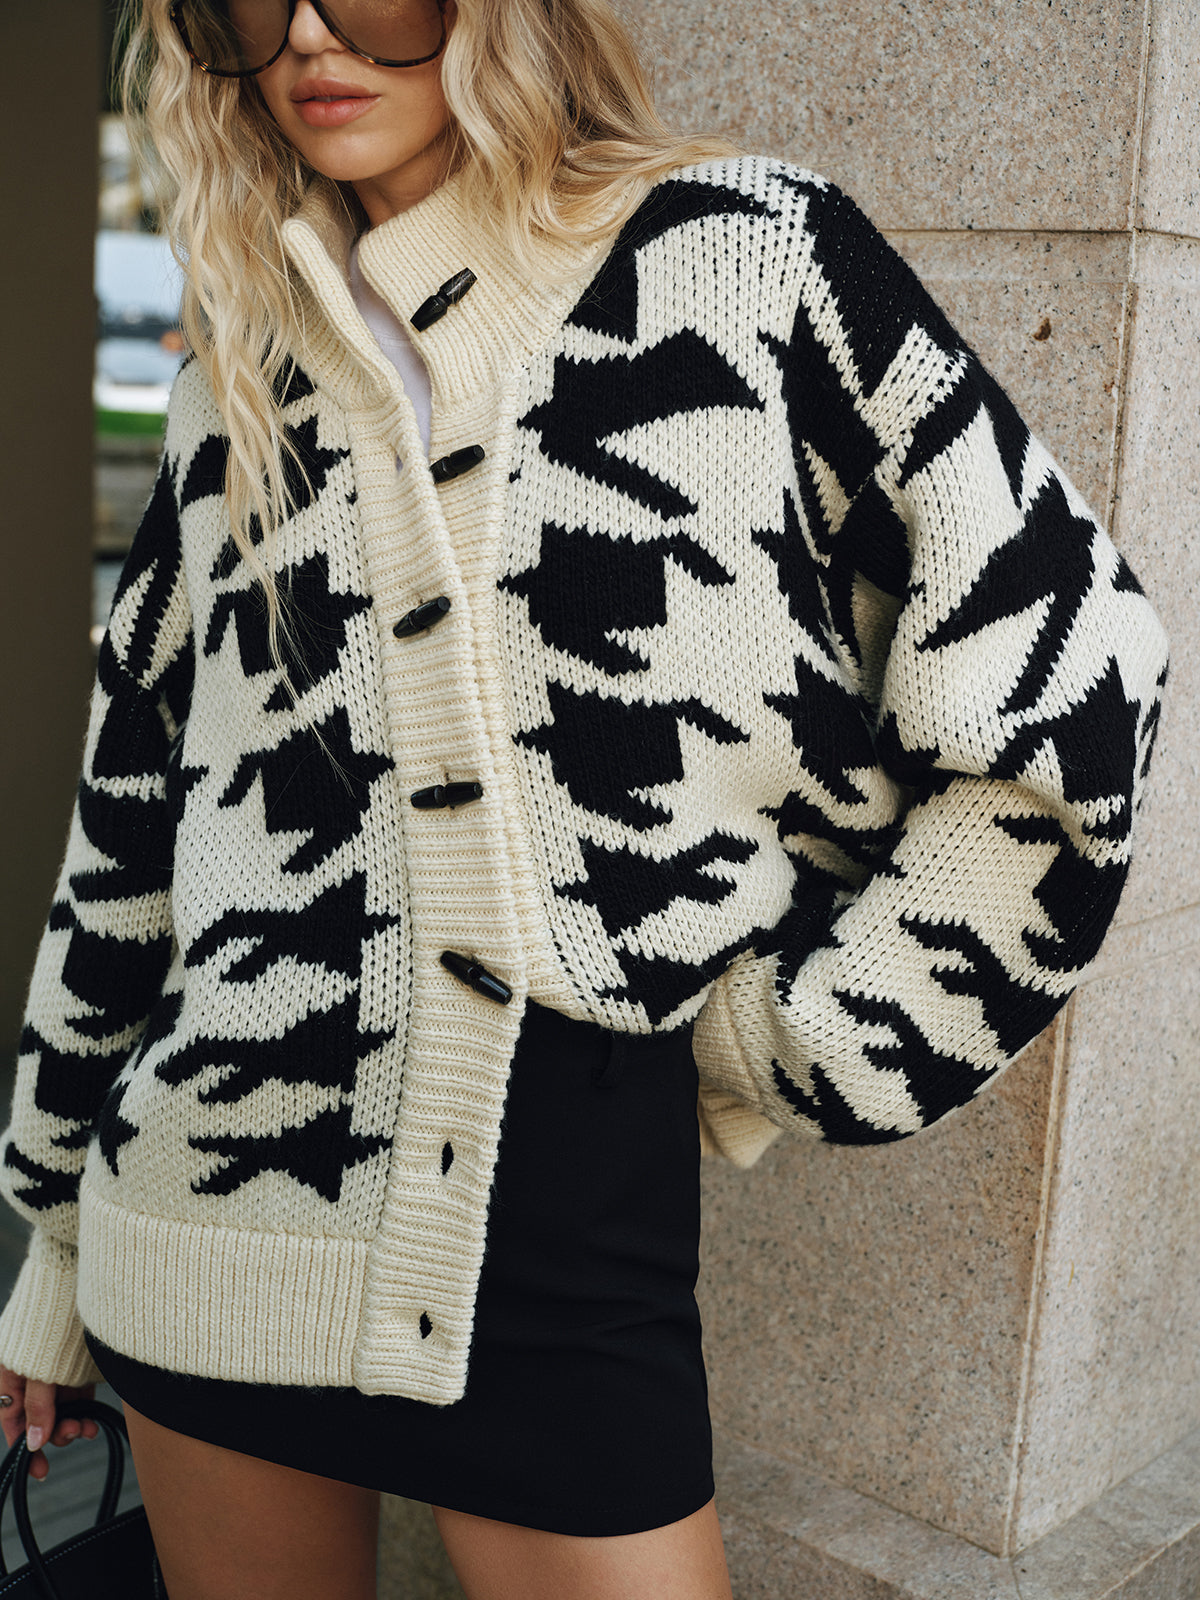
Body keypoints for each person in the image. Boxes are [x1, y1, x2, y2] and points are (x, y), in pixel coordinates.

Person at [0, 1, 1169, 1596]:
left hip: (574, 1233)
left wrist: (814, 1036)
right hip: (204, 1222)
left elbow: (1075, 684)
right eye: (248, 3)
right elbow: (130, 818)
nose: (311, 38)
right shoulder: (242, 367)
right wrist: (56, 1251)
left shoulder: (743, 259)